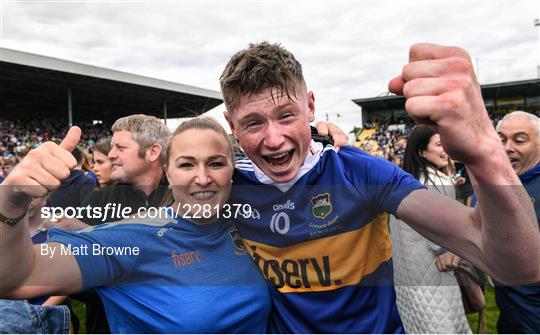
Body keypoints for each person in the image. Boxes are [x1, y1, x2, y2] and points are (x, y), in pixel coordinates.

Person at [219, 41, 539, 333]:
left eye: (287, 115)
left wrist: (484, 151)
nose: (274, 140)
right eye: (253, 123)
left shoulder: (361, 173)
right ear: (232, 126)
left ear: (310, 106)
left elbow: (517, 266)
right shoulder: (228, 187)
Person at [0, 117, 271, 333]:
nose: (202, 177)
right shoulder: (133, 239)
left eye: (215, 163)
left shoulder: (248, 224)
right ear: (168, 171)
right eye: (187, 165)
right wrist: (11, 201)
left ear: (232, 170)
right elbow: (19, 278)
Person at [389, 125, 471, 333]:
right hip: (435, 272)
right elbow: (450, 233)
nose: (446, 149)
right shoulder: (439, 182)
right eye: (438, 144)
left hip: (408, 276)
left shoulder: (402, 183)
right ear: (422, 152)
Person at [491, 111, 540, 333]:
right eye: (501, 139)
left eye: (519, 140)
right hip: (510, 313)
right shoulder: (502, 185)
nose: (507, 147)